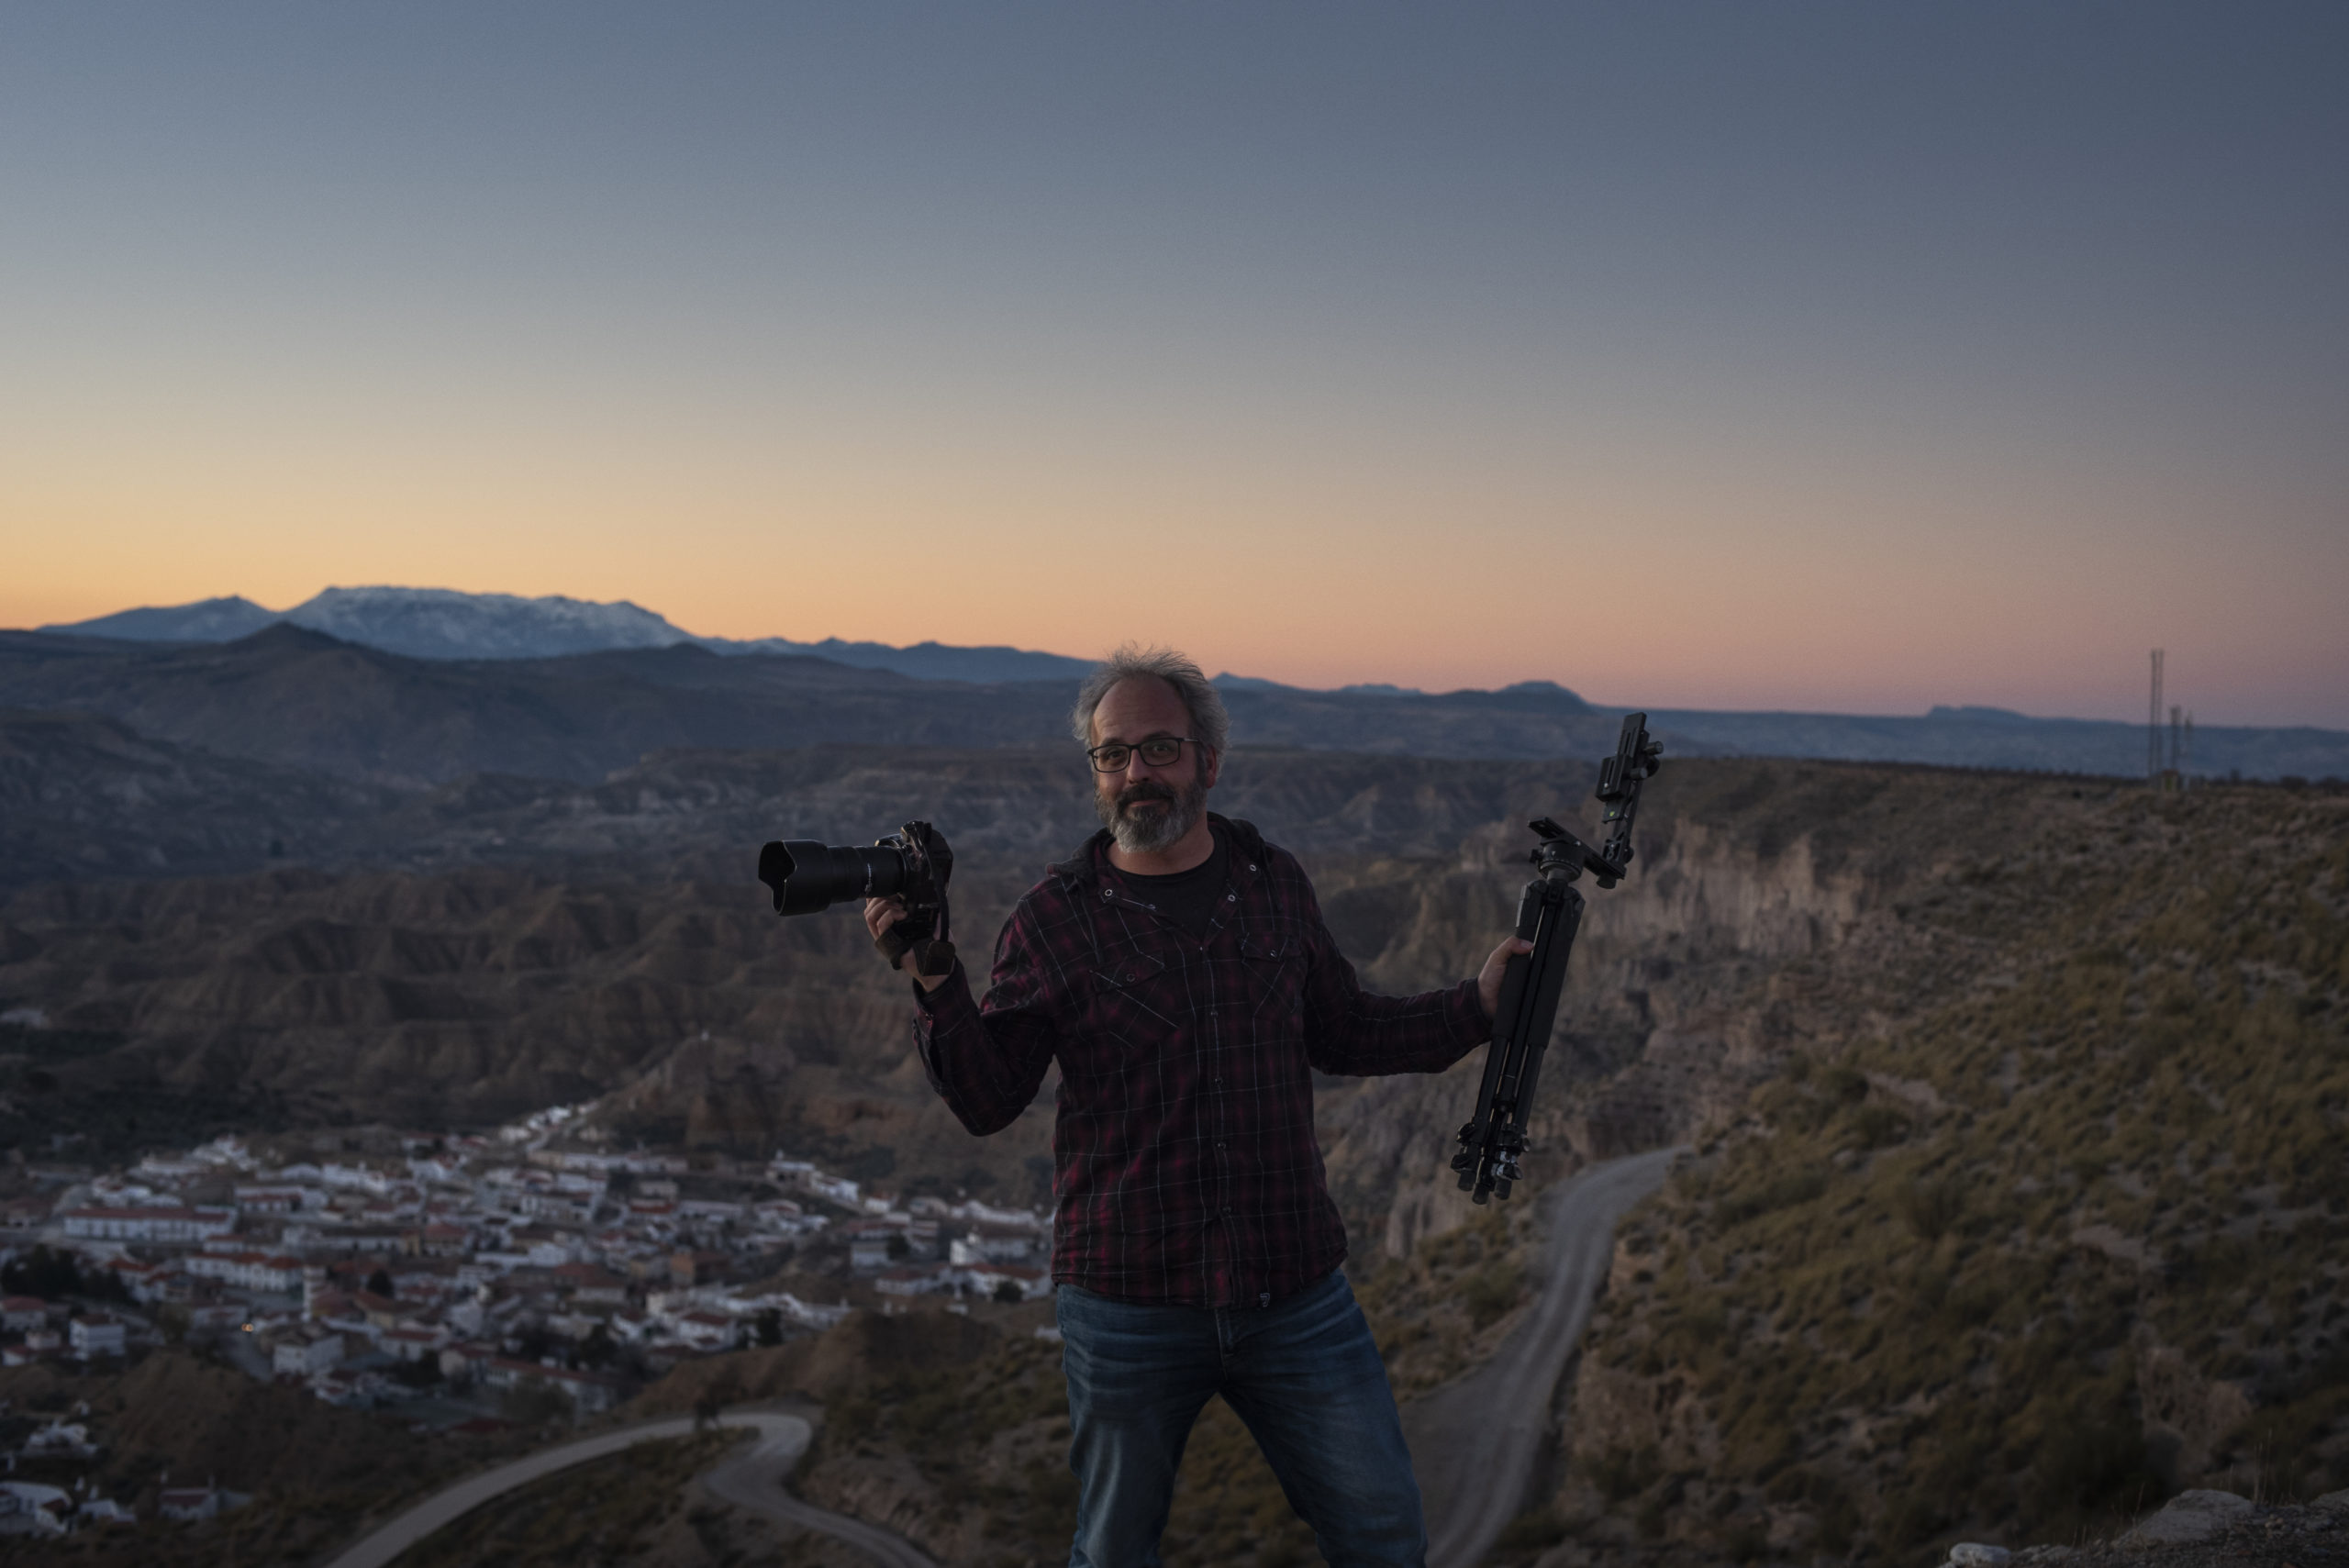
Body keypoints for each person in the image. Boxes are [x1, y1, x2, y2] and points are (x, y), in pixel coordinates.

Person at [865, 644, 1529, 1568]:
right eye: (1113, 754)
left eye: (1159, 748)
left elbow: (1344, 1029)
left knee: (1383, 1531)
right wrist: (933, 976)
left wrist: (1476, 1008)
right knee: (1113, 1550)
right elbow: (988, 1099)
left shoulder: (1273, 884)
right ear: (1096, 771)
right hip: (1127, 1300)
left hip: (1292, 1287)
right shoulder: (1053, 920)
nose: (1136, 771)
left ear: (1207, 761)